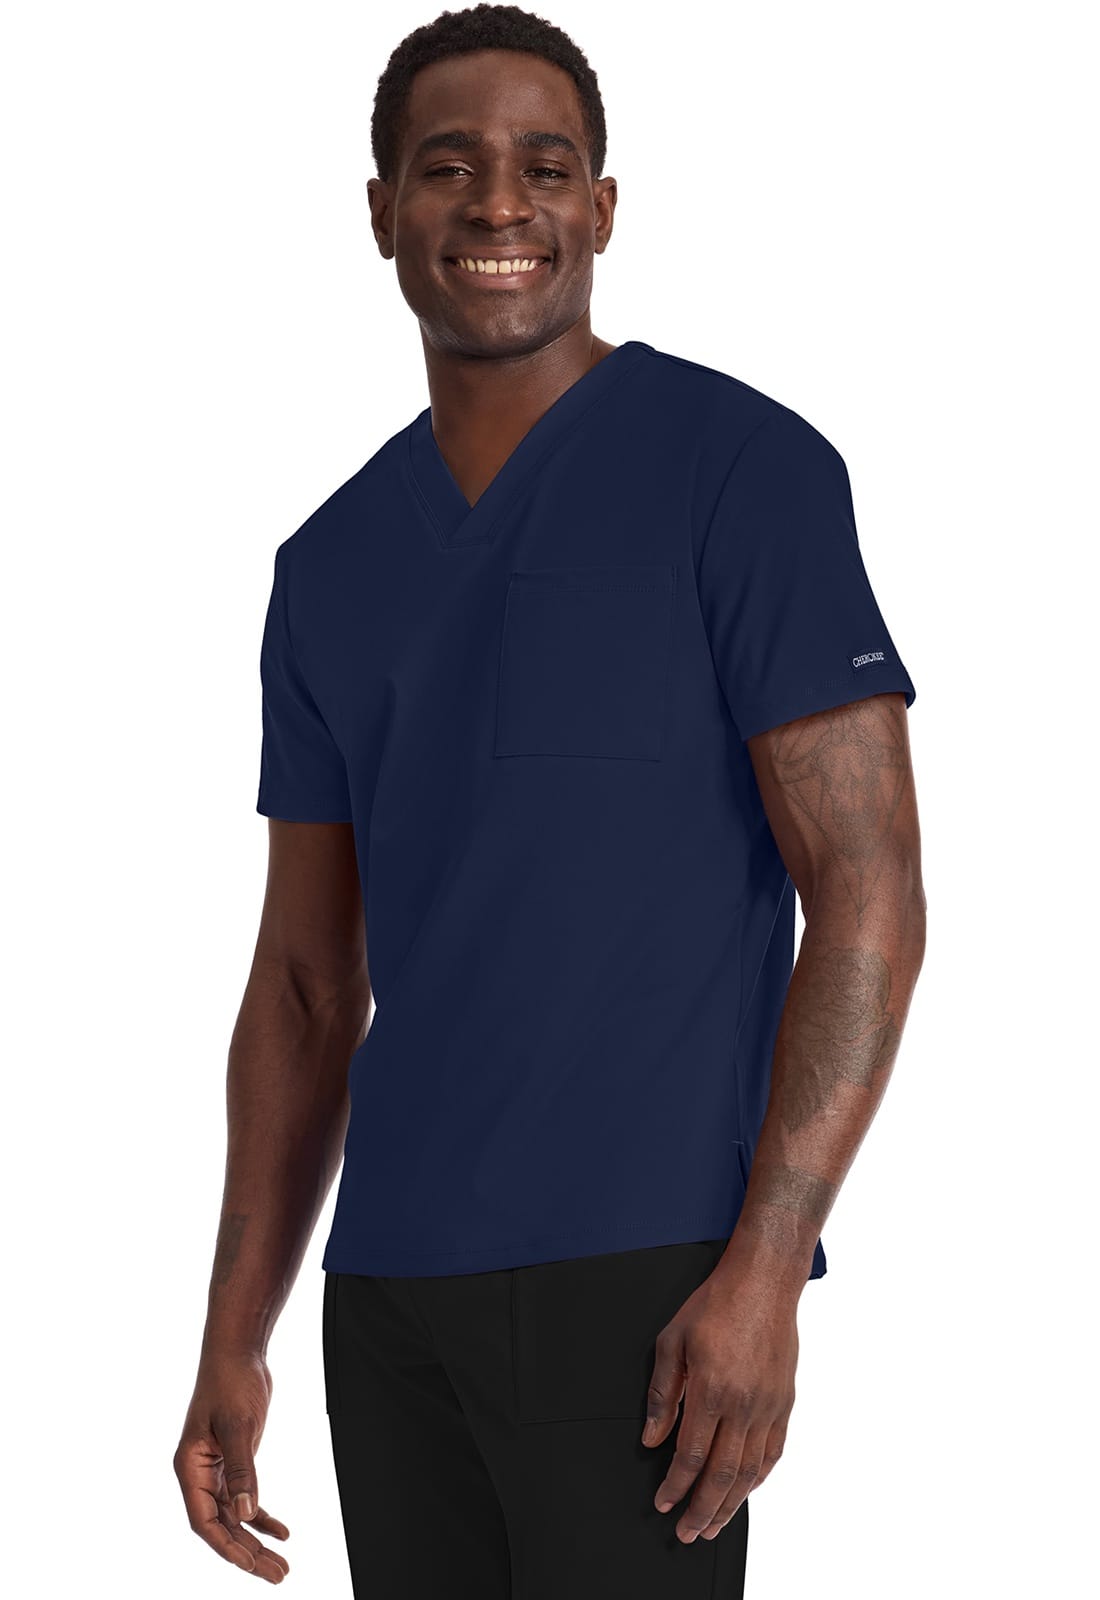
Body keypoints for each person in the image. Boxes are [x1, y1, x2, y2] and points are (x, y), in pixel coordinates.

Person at [173, 5, 927, 1595]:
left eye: (546, 164)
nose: (500, 203)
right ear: (382, 210)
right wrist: (236, 1333)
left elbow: (867, 891)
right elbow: (305, 983)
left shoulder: (744, 472)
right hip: (390, 1296)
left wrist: (766, 1268)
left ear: (604, 206)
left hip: (648, 1288)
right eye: (448, 166)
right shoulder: (330, 565)